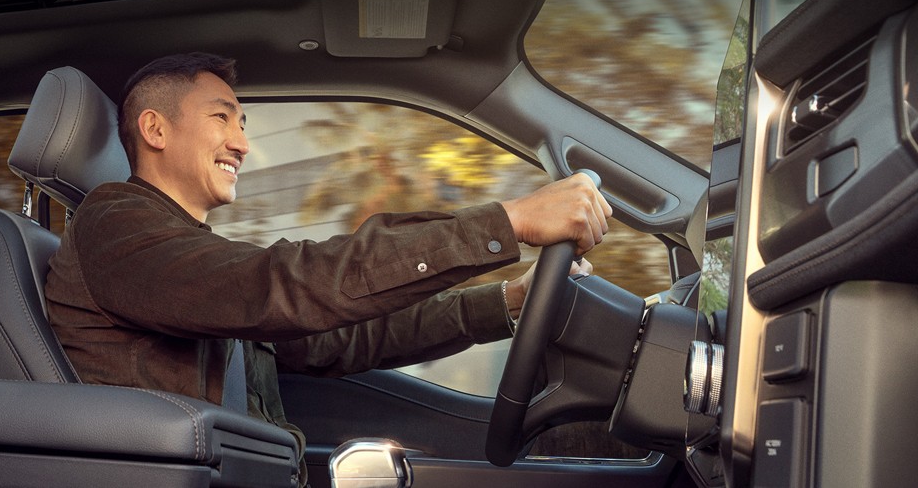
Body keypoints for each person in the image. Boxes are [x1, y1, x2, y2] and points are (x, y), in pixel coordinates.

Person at [44, 52, 609, 481]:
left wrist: (505, 301)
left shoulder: (183, 255)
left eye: (243, 124)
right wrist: (506, 223)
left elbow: (344, 338)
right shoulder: (113, 221)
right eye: (223, 118)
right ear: (156, 129)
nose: (242, 142)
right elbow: (283, 284)